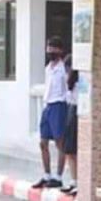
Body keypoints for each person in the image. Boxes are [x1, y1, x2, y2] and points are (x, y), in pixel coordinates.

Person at [33, 36, 68, 189]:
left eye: (54, 48)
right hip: (48, 105)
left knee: (60, 142)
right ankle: (46, 174)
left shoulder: (63, 68)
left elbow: (67, 88)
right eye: (49, 47)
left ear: (60, 50)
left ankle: (58, 176)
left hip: (59, 105)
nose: (50, 50)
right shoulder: (48, 68)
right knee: (43, 142)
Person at [61, 53, 79, 196]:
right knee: (69, 150)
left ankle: (78, 181)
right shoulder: (69, 81)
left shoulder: (80, 81)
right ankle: (74, 180)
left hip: (77, 112)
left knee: (74, 150)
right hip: (70, 111)